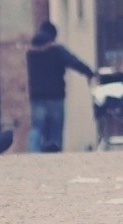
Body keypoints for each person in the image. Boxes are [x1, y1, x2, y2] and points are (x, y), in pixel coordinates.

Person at [25, 21, 94, 152]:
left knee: (37, 127)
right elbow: (73, 61)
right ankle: (54, 153)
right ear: (53, 35)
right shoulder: (57, 50)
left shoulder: (31, 52)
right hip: (55, 95)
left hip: (37, 97)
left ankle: (33, 151)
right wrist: (89, 72)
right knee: (55, 129)